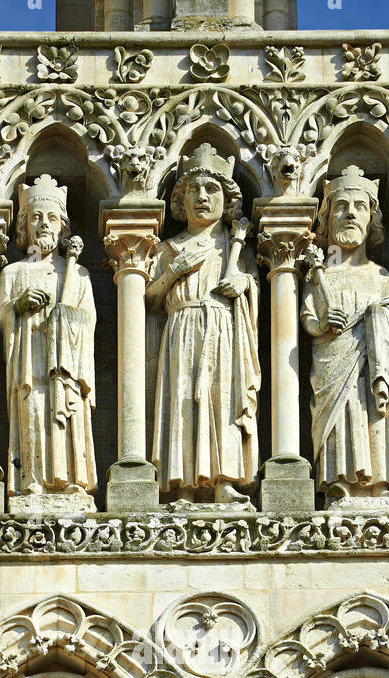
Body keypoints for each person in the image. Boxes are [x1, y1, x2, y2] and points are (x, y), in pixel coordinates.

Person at [147, 144, 259, 502]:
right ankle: (183, 486)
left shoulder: (233, 247)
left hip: (224, 329)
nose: (202, 197)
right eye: (193, 189)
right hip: (181, 327)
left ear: (226, 200)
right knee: (183, 400)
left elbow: (254, 288)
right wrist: (174, 272)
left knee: (221, 398)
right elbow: (148, 299)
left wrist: (243, 284)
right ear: (180, 199)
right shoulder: (168, 248)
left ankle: (224, 481)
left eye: (212, 189)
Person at [301, 165, 389, 503]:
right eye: (341, 207)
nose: (350, 214)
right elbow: (306, 317)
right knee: (341, 415)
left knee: (373, 411)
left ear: (371, 218)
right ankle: (339, 481)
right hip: (333, 362)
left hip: (371, 365)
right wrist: (321, 324)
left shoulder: (380, 275)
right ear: (327, 218)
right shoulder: (321, 276)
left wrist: (380, 317)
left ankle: (379, 482)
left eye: (359, 207)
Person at [0, 175, 96, 500]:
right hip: (29, 357)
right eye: (36, 217)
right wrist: (18, 305)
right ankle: (32, 480)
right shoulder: (13, 272)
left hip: (65, 362)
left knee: (68, 415)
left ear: (62, 227)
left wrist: (66, 320)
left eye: (52, 218)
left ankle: (71, 480)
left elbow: (89, 320)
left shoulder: (77, 274)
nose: (44, 224)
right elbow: (0, 317)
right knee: (33, 409)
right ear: (24, 226)